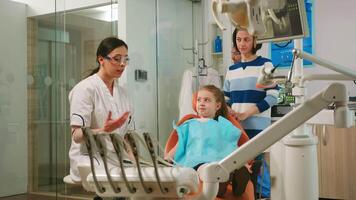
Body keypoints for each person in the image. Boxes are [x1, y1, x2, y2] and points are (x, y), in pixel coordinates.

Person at [166, 85, 250, 198]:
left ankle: (236, 178)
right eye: (199, 100)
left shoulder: (223, 124)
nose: (201, 103)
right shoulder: (189, 124)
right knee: (205, 169)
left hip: (220, 161)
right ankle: (219, 182)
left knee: (223, 167)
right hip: (196, 162)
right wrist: (166, 160)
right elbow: (178, 146)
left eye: (207, 100)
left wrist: (243, 163)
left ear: (218, 105)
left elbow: (232, 145)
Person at [68, 37, 132, 184]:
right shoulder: (85, 89)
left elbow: (127, 137)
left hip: (116, 158)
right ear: (101, 59)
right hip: (89, 159)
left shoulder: (123, 94)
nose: (122, 64)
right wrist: (103, 130)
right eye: (117, 59)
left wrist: (135, 163)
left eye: (125, 59)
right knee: (117, 180)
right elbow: (76, 136)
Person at [223, 28, 279, 198]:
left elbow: (273, 97)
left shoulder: (265, 65)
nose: (242, 44)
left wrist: (247, 113)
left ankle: (265, 196)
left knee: (258, 166)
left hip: (257, 127)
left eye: (246, 39)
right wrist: (229, 110)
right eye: (238, 40)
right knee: (241, 169)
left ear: (255, 41)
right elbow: (224, 99)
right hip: (236, 128)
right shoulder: (232, 69)